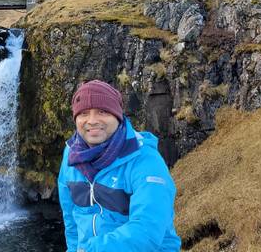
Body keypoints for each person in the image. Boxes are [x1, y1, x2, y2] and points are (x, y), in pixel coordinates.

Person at [58, 80, 181, 252]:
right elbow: (71, 219)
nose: (92, 120)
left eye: (102, 112)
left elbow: (147, 231)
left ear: (117, 115)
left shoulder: (144, 159)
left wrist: (92, 250)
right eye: (84, 113)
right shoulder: (71, 155)